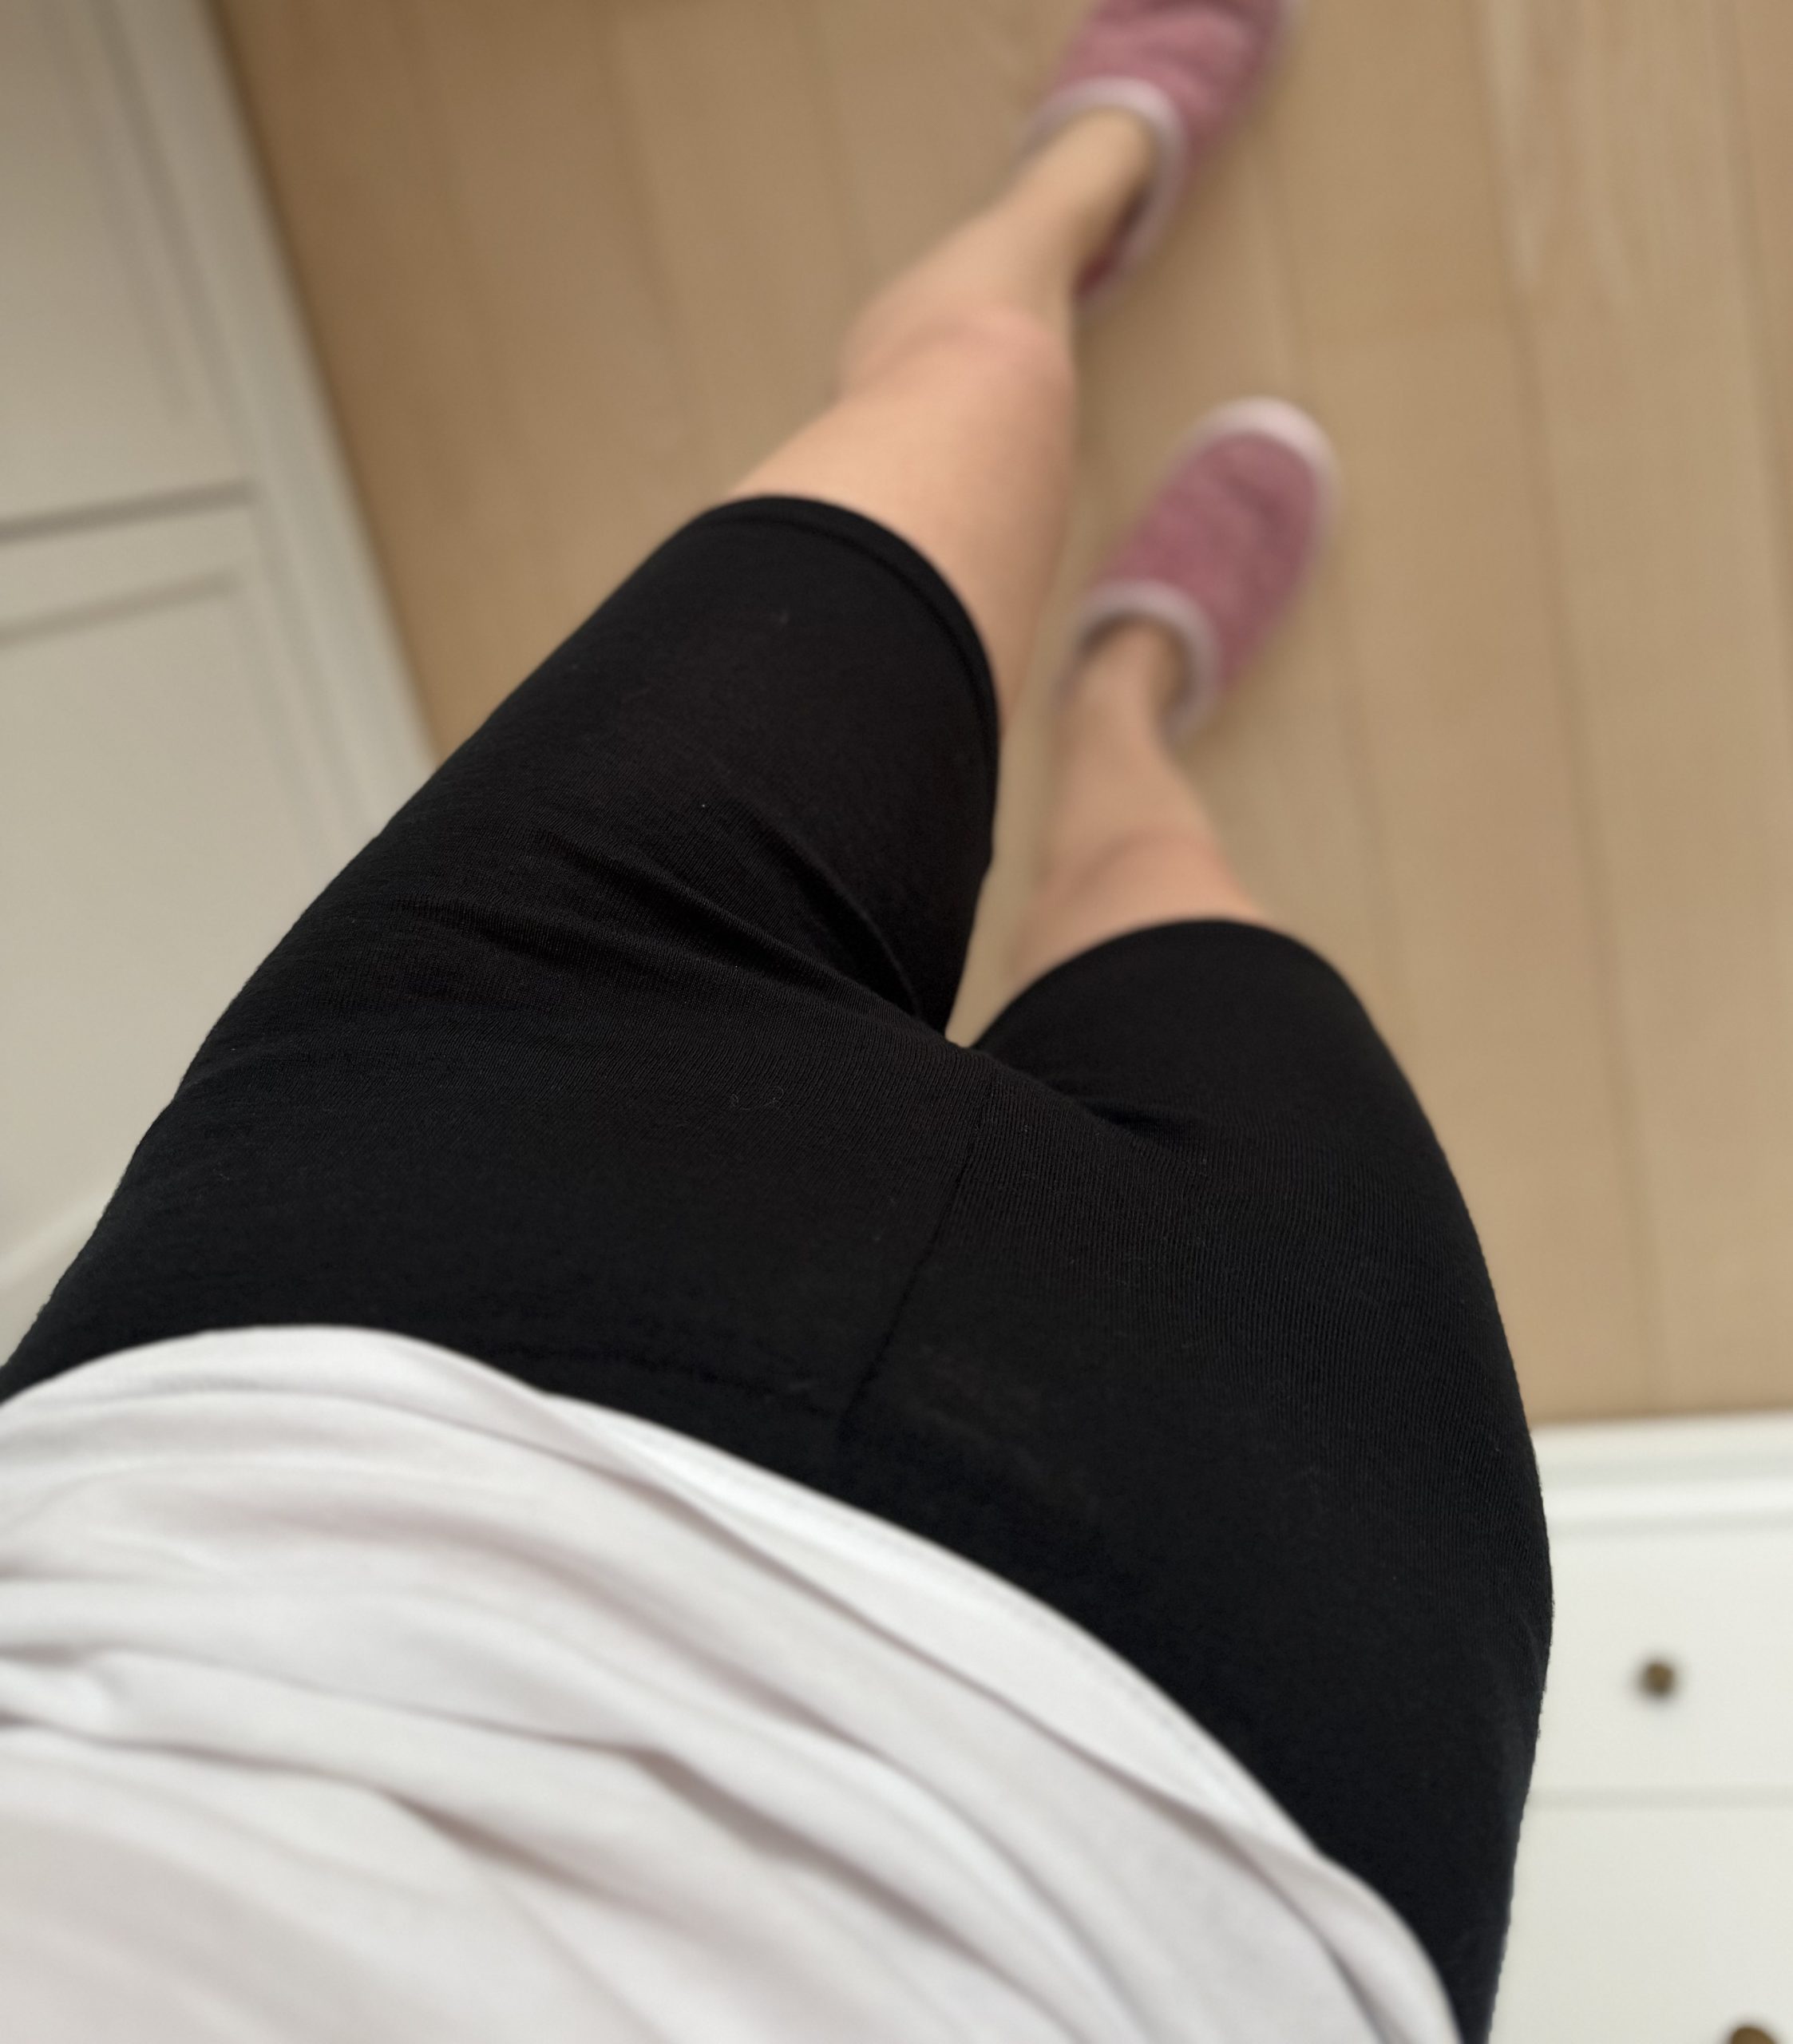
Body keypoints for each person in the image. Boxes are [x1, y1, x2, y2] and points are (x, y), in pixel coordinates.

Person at [0, 2, 1550, 2038]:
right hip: (1216, 1802)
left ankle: (1069, 192)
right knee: (1156, 893)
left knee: (963, 388)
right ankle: (1125, 694)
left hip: (295, 1393)